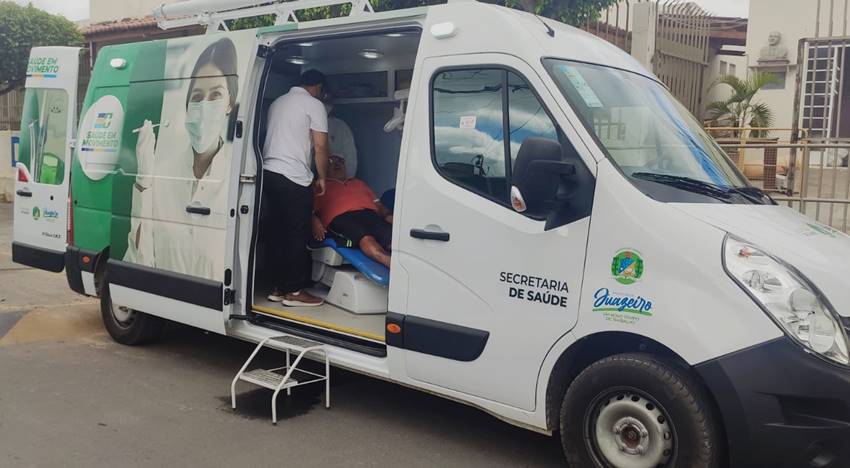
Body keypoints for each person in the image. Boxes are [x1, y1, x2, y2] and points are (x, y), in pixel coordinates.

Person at [125, 38, 239, 282]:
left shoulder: (239, 175)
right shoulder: (163, 173)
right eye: (197, 96)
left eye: (216, 94)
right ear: (187, 105)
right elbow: (138, 263)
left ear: (230, 103)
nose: (204, 105)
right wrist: (143, 183)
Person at [262, 70, 330, 307]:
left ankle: (278, 288)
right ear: (319, 88)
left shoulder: (278, 103)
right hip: (294, 177)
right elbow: (321, 146)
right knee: (296, 234)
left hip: (269, 173)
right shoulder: (314, 105)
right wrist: (322, 177)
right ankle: (295, 291)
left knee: (277, 233)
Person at [311, 155, 393, 268]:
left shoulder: (359, 183)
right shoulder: (319, 186)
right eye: (331, 161)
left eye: (340, 160)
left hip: (370, 215)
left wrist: (389, 216)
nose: (337, 163)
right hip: (342, 218)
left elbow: (379, 205)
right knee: (364, 236)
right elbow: (307, 209)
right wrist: (314, 221)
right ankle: (390, 264)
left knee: (392, 236)